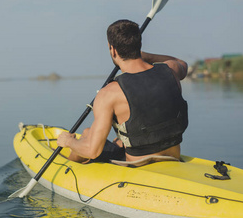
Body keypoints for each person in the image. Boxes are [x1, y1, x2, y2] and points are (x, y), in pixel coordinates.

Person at [57, 19, 188, 166]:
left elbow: (92, 151)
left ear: (112, 49)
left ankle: (66, 167)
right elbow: (182, 63)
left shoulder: (109, 93)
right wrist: (145, 56)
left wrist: (68, 141)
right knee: (93, 133)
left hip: (138, 165)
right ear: (139, 45)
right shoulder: (171, 70)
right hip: (173, 157)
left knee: (86, 137)